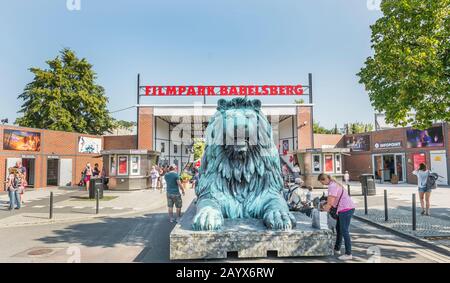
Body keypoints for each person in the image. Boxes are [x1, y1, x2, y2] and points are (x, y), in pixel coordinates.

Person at [318, 173, 356, 261]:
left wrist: (322, 211)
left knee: (344, 230)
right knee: (339, 228)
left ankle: (348, 253)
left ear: (324, 179)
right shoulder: (334, 184)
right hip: (347, 208)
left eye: (321, 182)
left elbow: (330, 203)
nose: (322, 184)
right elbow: (332, 200)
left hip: (345, 209)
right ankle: (337, 249)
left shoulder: (332, 186)